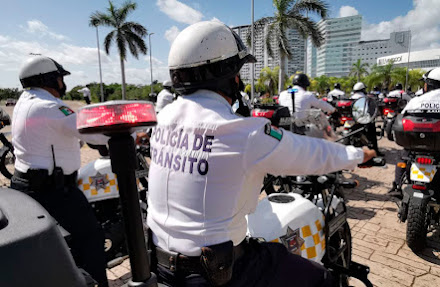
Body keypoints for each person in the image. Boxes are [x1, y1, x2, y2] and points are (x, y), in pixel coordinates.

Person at [147, 21, 376, 286]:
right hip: (219, 271)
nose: (239, 80)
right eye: (237, 72)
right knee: (322, 279)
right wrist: (359, 155)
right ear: (225, 73)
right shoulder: (240, 131)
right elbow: (311, 153)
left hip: (161, 265)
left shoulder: (162, 120)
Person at [11, 56, 109, 287]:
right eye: (59, 78)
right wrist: (131, 134)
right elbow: (93, 133)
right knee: (91, 240)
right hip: (55, 190)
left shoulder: (24, 102)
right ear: (49, 79)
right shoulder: (51, 106)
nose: (62, 84)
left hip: (25, 185)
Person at [389, 68, 440, 197]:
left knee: (402, 156)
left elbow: (403, 116)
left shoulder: (417, 100)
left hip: (415, 145)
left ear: (429, 85)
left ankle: (397, 186)